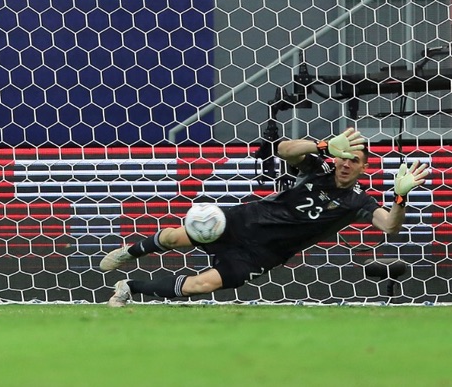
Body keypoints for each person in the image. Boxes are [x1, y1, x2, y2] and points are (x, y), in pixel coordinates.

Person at [100, 127, 429, 306]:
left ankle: (129, 287)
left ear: (363, 168)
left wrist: (400, 197)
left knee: (201, 285)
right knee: (175, 237)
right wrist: (323, 145)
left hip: (265, 253)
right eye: (344, 157)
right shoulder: (317, 169)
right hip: (244, 221)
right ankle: (128, 253)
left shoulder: (358, 202)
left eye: (354, 161)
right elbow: (284, 149)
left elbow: (389, 226)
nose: (346, 164)